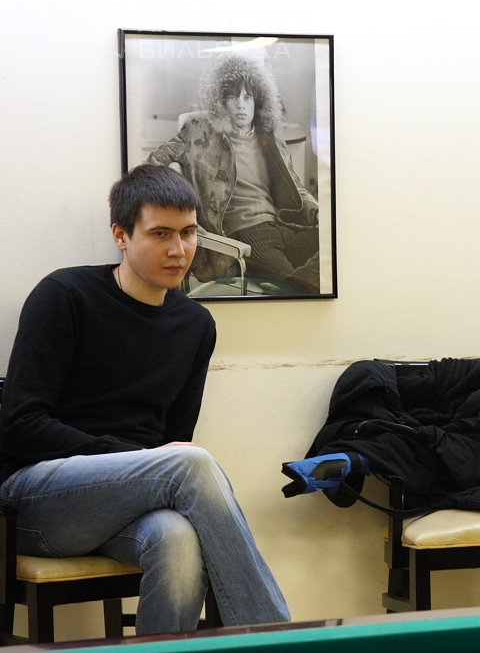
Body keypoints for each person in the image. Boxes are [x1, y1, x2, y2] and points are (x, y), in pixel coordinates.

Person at [0, 165, 290, 633]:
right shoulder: (65, 295)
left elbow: (173, 439)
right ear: (121, 235)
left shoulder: (195, 326)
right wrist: (138, 459)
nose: (179, 250)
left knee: (178, 539)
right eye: (160, 234)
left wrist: (150, 464)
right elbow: (20, 425)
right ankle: (274, 637)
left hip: (133, 501)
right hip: (36, 503)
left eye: (188, 232)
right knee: (190, 463)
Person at [148, 55, 320, 294]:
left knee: (334, 241)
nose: (241, 105)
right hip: (249, 234)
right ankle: (296, 284)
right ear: (221, 102)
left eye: (247, 97)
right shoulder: (199, 132)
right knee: (297, 289)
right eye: (233, 97)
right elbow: (153, 165)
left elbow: (297, 188)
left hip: (285, 226)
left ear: (258, 101)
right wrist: (184, 217)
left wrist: (316, 211)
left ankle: (298, 281)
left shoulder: (271, 139)